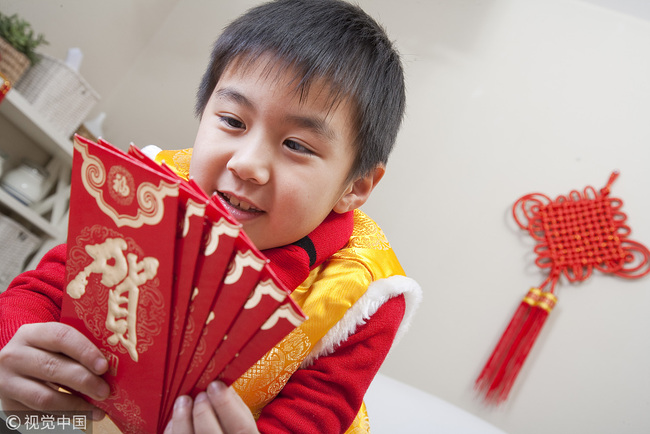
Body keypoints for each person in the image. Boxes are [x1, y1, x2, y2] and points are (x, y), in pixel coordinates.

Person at [0, 0, 422, 432]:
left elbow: (313, 419)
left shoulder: (365, 297)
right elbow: (44, 288)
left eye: (297, 145)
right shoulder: (153, 189)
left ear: (355, 186)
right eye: (233, 121)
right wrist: (15, 343)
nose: (246, 163)